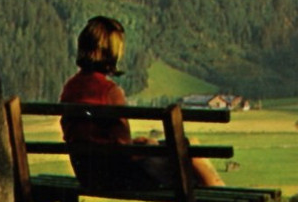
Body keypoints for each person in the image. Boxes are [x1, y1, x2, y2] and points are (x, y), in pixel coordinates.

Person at [60, 16, 226, 192]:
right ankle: (226, 200)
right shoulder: (109, 92)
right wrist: (150, 146)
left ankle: (221, 199)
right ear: (112, 52)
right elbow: (125, 150)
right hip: (120, 178)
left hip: (88, 175)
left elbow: (96, 138)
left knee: (185, 148)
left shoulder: (70, 88)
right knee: (188, 147)